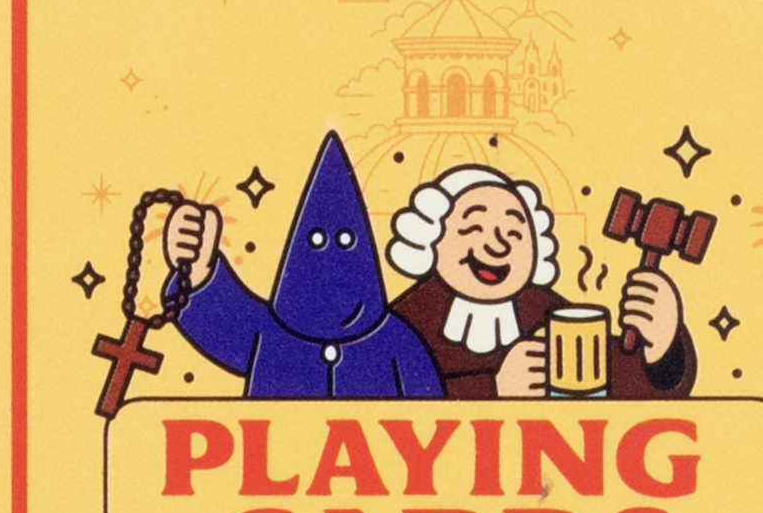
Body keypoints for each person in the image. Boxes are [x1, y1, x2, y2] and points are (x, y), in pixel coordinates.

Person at [161, 133, 442, 398]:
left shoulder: (397, 341)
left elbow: (432, 410)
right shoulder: (269, 333)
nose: (331, 261)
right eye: (316, 241)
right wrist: (196, 273)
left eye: (346, 241)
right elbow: (224, 323)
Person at [386, 166, 695, 399]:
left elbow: (626, 383)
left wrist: (663, 346)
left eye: (514, 233)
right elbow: (380, 394)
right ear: (432, 239)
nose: (497, 246)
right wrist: (493, 388)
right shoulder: (408, 321)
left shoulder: (546, 311)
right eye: (474, 228)